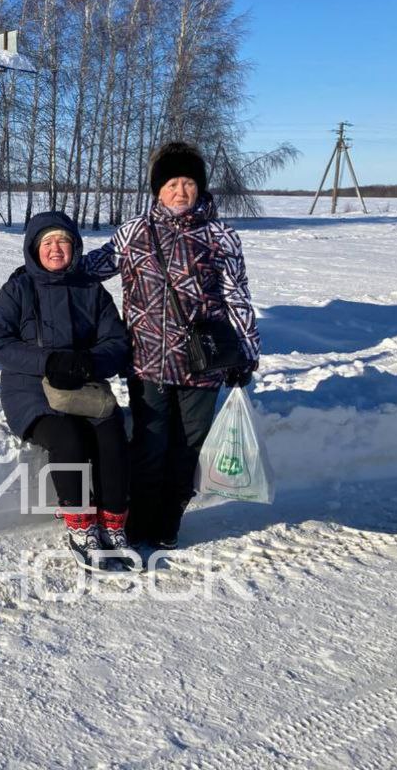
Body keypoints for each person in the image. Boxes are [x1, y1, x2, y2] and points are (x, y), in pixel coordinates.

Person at [81, 140, 261, 549]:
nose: (181, 191)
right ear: (157, 189)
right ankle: (139, 522)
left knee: (187, 448)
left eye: (188, 183)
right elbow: (92, 268)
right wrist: (46, 264)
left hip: (204, 364)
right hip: (147, 362)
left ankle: (167, 524)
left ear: (200, 187)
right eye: (172, 183)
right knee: (149, 445)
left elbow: (236, 296)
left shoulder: (221, 236)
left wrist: (246, 352)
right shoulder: (135, 232)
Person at [0, 211, 133, 571]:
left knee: (112, 433)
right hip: (30, 390)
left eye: (63, 241)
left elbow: (116, 341)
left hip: (83, 387)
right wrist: (48, 362)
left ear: (75, 247)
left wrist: (89, 362)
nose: (55, 249)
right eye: (47, 242)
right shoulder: (17, 289)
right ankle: (81, 527)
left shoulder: (91, 290)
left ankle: (113, 526)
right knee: (68, 439)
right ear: (34, 249)